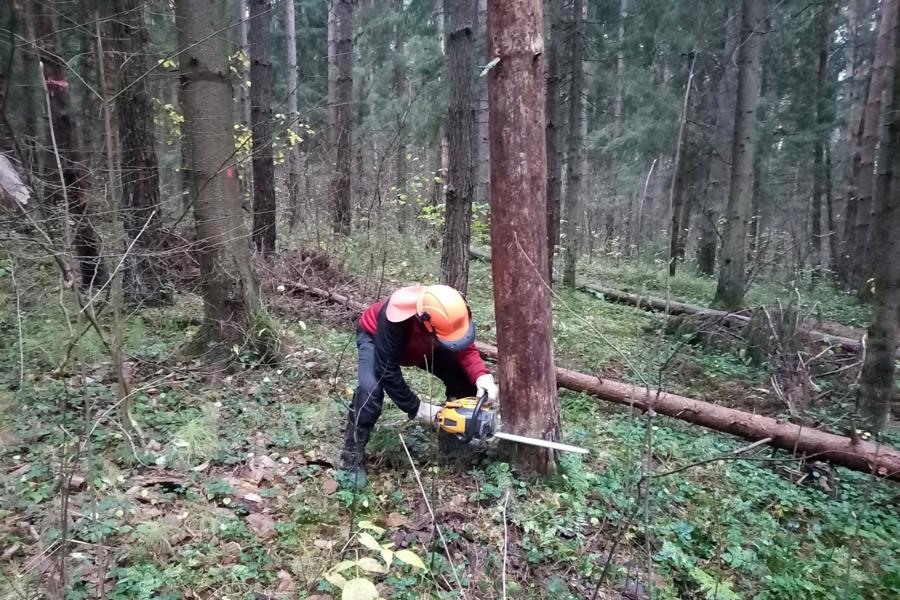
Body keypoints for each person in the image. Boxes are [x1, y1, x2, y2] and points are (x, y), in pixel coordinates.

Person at [339, 284, 499, 487]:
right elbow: (387, 370)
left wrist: (481, 376)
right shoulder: (395, 318)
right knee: (369, 391)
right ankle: (351, 456)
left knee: (464, 379)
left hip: (426, 343)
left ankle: (454, 437)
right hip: (376, 339)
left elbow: (464, 347)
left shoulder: (451, 309)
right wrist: (416, 408)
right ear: (425, 322)